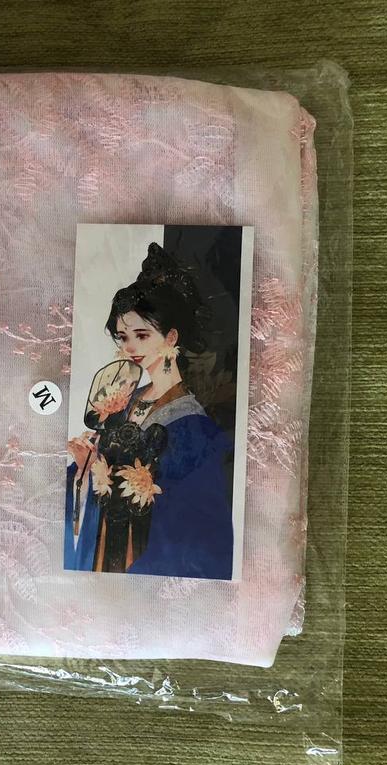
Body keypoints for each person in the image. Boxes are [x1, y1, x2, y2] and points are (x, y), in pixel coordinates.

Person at [65, 243, 234, 580]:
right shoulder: (122, 400)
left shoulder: (193, 425)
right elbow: (91, 481)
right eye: (123, 337)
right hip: (103, 552)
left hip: (145, 559)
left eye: (141, 335)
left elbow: (190, 521)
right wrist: (85, 467)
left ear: (171, 336)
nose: (130, 347)